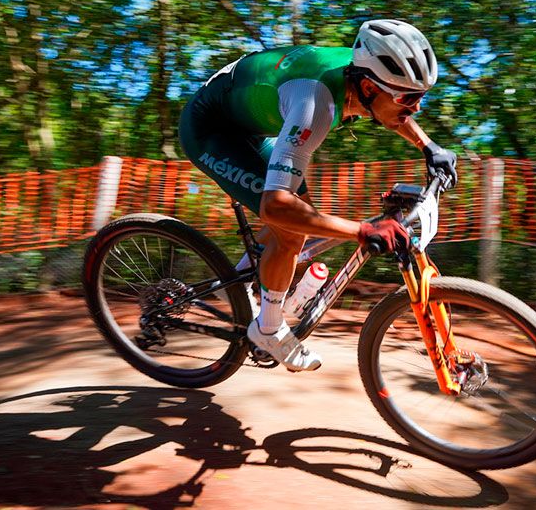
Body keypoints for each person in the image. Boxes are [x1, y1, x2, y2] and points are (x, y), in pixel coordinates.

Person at [179, 19, 458, 372]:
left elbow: (395, 111)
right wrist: (361, 230)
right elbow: (276, 205)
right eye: (408, 98)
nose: (416, 108)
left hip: (248, 119)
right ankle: (268, 329)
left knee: (303, 218)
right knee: (290, 225)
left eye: (421, 97)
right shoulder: (316, 103)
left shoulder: (364, 72)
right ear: (369, 88)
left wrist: (429, 147)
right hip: (211, 129)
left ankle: (241, 285)